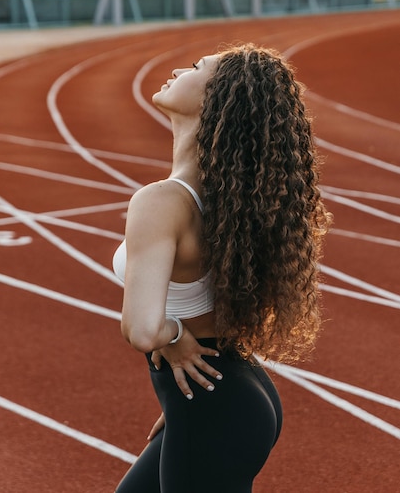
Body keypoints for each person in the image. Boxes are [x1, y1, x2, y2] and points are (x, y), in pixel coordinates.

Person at [112, 43, 331, 493]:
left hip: (213, 404)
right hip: (228, 394)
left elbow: (143, 330)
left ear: (217, 100)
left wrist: (173, 339)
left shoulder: (162, 201)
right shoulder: (230, 199)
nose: (176, 68)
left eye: (195, 67)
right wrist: (183, 409)